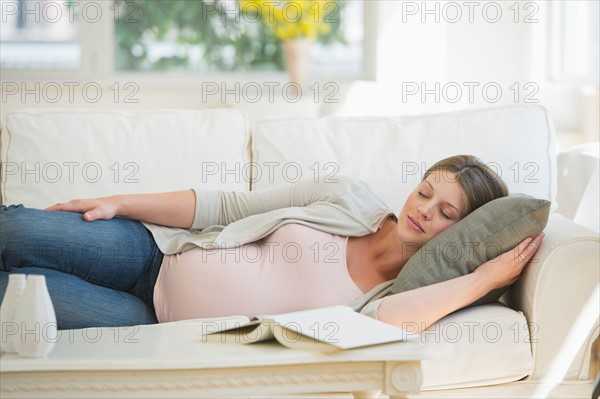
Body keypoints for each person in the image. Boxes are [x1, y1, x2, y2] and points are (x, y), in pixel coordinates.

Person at [0, 155, 543, 331]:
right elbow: (227, 206)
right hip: (153, 251)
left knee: (12, 298)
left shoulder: (394, 296)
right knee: (16, 229)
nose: (422, 209)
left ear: (466, 232)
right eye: (424, 191)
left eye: (446, 212)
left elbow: (396, 321)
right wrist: (121, 202)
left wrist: (484, 279)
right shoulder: (347, 196)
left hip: (150, 323)